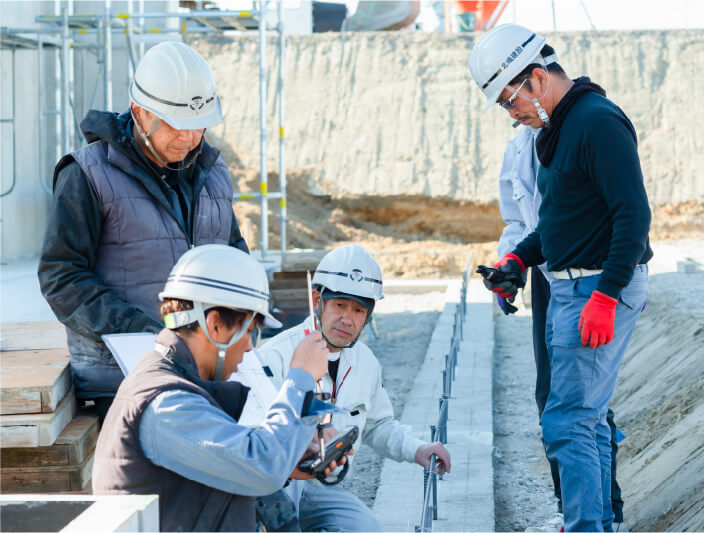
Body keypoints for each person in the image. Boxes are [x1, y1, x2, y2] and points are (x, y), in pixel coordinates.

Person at [469, 24, 651, 532]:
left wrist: (607, 296)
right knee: (583, 421)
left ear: (538, 78)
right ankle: (597, 524)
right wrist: (517, 261)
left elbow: (633, 217)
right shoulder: (555, 130)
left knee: (567, 421)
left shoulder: (597, 122)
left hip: (596, 287)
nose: (513, 114)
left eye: (512, 101)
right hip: (572, 285)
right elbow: (556, 224)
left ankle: (587, 526)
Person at [37, 41, 247, 419]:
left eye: (198, 125)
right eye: (174, 124)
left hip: (205, 374)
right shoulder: (86, 175)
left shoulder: (213, 173)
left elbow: (234, 256)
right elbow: (61, 277)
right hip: (123, 383)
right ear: (139, 112)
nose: (189, 137)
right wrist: (144, 331)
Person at [92, 244, 348, 532]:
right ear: (214, 325)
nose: (250, 345)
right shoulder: (165, 403)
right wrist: (300, 376)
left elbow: (231, 461)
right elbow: (261, 466)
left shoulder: (179, 385)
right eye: (249, 330)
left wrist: (289, 457)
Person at [257, 244, 451, 532]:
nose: (348, 319)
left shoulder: (365, 363)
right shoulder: (274, 358)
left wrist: (418, 449)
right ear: (316, 300)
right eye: (339, 305)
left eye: (359, 310)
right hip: (275, 489)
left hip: (322, 490)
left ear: (368, 316)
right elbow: (256, 443)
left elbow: (378, 425)